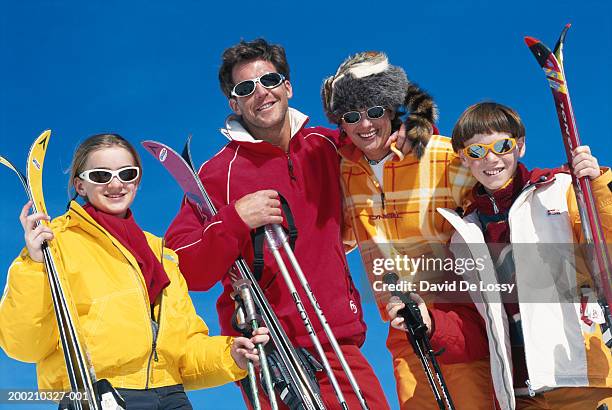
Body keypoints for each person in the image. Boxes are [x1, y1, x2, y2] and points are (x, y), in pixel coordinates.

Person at [165, 39, 390, 409]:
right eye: (245, 88)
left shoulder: (327, 146)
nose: (260, 93)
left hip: (337, 340)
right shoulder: (216, 174)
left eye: (269, 80)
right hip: (272, 352)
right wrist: (234, 219)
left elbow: (387, 147)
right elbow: (184, 266)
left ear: (287, 86)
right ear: (234, 103)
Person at [0, 133, 269, 409]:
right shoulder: (56, 242)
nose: (116, 184)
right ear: (80, 185)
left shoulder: (160, 253)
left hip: (171, 396)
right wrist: (34, 265)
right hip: (100, 394)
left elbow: (185, 351)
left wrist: (230, 356)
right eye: (101, 175)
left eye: (127, 174)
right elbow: (23, 344)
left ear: (137, 181)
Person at [321, 51, 494, 409]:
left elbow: (501, 195)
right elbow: (337, 238)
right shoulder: (344, 173)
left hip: (459, 320)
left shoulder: (443, 156)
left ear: (390, 109)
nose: (365, 125)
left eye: (374, 112)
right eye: (352, 116)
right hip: (402, 328)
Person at [438, 101, 612, 409]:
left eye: (502, 146)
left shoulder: (559, 189)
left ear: (520, 146)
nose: (490, 158)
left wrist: (597, 185)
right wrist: (430, 323)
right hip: (519, 390)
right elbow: (477, 324)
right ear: (464, 160)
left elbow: (606, 247)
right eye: (476, 152)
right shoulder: (465, 235)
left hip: (579, 373)